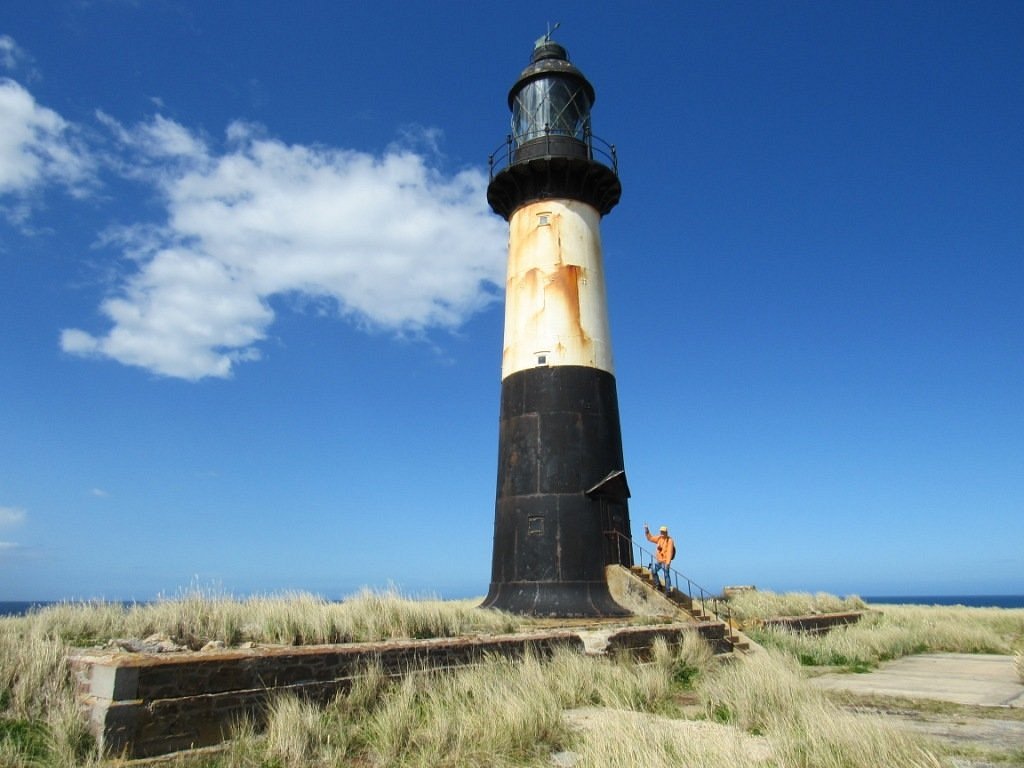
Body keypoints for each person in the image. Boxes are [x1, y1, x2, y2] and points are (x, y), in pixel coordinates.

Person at [644, 523, 676, 593]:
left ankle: (668, 590)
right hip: (659, 561)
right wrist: (646, 530)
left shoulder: (670, 540)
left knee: (666, 575)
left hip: (665, 562)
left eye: (663, 532)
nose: (661, 533)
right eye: (661, 531)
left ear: (666, 532)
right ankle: (658, 585)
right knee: (653, 570)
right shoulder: (659, 538)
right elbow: (650, 538)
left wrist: (668, 563)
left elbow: (669, 552)